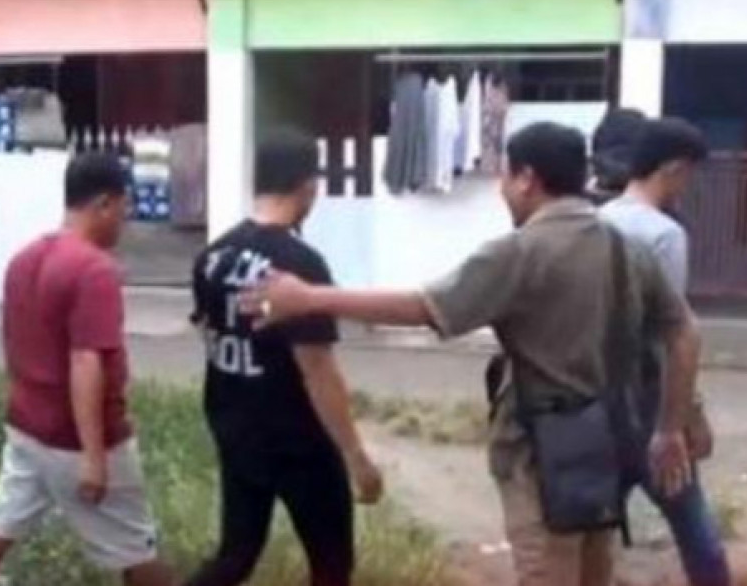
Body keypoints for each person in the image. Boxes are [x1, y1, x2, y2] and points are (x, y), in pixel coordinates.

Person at [245, 122, 702, 586]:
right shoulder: (626, 247)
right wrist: (669, 428)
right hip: (607, 442)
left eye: (504, 176)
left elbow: (424, 307)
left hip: (541, 450)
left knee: (548, 571)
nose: (502, 190)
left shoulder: (521, 252)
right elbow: (684, 331)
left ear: (526, 178)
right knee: (593, 571)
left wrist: (310, 298)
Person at [0, 153, 174, 586]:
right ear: (104, 204)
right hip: (76, 441)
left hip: (27, 428)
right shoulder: (94, 270)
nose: (125, 220)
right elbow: (86, 361)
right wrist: (94, 456)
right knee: (138, 553)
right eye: (124, 207)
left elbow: (16, 342)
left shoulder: (24, 259)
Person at [187, 129, 384, 586]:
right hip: (299, 442)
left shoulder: (212, 256)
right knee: (331, 566)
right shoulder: (299, 264)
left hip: (235, 430)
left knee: (236, 555)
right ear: (308, 187)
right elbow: (319, 372)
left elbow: (206, 330)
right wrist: (356, 457)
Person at [600, 118, 733, 586]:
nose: (686, 187)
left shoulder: (596, 221)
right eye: (689, 175)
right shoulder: (664, 234)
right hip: (647, 402)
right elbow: (671, 335)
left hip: (597, 402)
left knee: (591, 530)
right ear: (674, 168)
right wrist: (682, 419)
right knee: (691, 520)